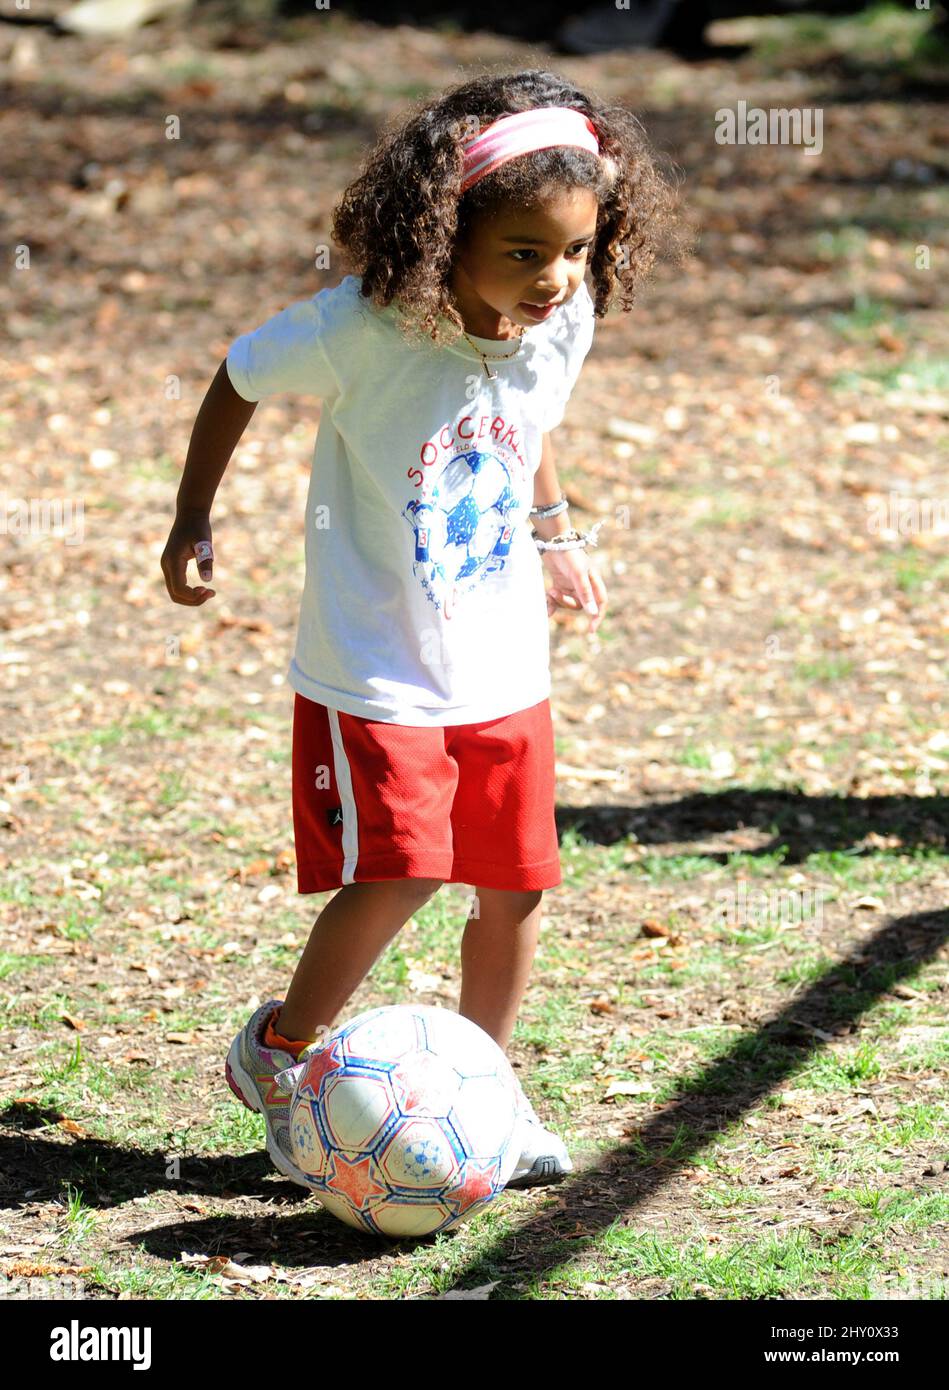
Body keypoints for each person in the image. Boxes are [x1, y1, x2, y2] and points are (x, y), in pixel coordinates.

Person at [160, 68, 676, 1198]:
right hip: (378, 659)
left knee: (516, 885)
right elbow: (238, 378)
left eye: (576, 250)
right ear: (445, 235)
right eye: (523, 251)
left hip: (500, 663)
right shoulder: (363, 328)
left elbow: (525, 413)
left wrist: (554, 529)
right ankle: (282, 1052)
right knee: (406, 868)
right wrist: (194, 516)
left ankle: (483, 1088)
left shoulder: (566, 317)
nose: (554, 280)